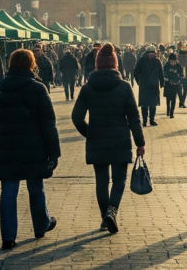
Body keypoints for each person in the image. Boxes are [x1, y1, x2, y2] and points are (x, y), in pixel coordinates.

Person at [0, 48, 61, 250]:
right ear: (31, 64)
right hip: (33, 147)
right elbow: (48, 124)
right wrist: (54, 152)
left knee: (8, 191)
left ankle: (8, 237)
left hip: (6, 149)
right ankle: (41, 225)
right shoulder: (38, 89)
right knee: (35, 187)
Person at [72, 42, 145, 234]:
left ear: (97, 64)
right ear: (115, 63)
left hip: (97, 138)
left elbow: (76, 117)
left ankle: (105, 216)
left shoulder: (87, 88)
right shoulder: (124, 87)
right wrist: (140, 142)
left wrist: (88, 132)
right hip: (120, 138)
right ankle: (112, 211)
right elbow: (134, 117)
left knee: (101, 180)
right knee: (119, 179)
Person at [133, 45, 164, 127]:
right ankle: (144, 121)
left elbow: (161, 72)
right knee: (144, 104)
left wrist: (162, 82)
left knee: (153, 104)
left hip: (154, 85)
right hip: (144, 85)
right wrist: (139, 82)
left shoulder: (157, 61)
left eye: (153, 53)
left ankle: (152, 120)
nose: (151, 55)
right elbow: (135, 72)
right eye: (150, 53)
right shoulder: (141, 60)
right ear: (147, 53)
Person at [163, 52, 184, 119]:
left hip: (175, 85)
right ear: (169, 60)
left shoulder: (178, 66)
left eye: (174, 61)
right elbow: (163, 75)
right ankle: (168, 110)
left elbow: (182, 74)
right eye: (171, 61)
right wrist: (167, 79)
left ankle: (172, 113)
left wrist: (179, 78)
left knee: (174, 99)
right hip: (168, 85)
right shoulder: (166, 66)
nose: (172, 62)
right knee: (168, 99)